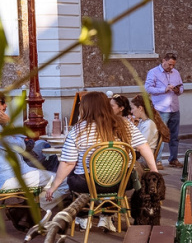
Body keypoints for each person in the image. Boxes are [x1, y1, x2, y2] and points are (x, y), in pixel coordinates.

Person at [44, 91, 157, 230]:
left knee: (74, 175)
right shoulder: (125, 124)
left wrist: (54, 185)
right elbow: (144, 147)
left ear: (86, 108)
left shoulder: (78, 130)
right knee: (112, 172)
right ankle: (107, 216)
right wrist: (154, 170)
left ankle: (84, 216)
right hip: (121, 182)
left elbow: (68, 163)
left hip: (88, 183)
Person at [0, 134, 69, 213]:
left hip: (12, 174)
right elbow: (21, 146)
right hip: (11, 177)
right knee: (65, 181)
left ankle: (27, 207)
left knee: (43, 146)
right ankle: (29, 210)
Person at [145, 52, 184, 168]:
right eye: (169, 64)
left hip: (174, 108)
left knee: (174, 135)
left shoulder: (176, 73)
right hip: (161, 109)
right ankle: (158, 160)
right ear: (163, 61)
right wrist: (164, 89)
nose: (171, 67)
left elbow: (181, 87)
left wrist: (178, 90)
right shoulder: (153, 72)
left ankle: (173, 159)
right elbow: (148, 88)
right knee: (160, 135)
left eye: (173, 65)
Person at [131, 95, 170, 163]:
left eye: (132, 108)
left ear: (140, 108)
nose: (131, 111)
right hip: (139, 156)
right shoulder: (142, 122)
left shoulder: (149, 124)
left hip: (143, 159)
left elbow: (140, 145)